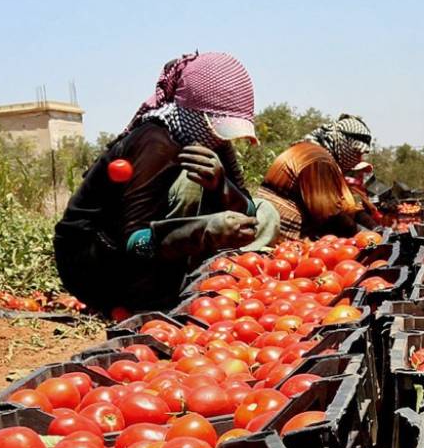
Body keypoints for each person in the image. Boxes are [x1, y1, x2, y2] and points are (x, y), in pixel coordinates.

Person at [53, 51, 279, 316]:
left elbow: (248, 211)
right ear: (196, 114)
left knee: (266, 213)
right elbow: (134, 243)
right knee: (190, 183)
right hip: (97, 262)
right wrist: (204, 230)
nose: (223, 138)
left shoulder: (212, 141)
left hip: (144, 245)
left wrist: (222, 186)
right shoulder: (155, 143)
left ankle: (198, 273)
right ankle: (161, 292)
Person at [253, 114, 378, 242]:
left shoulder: (324, 159)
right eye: (357, 152)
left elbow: (346, 207)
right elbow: (330, 216)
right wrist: (368, 237)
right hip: (281, 235)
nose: (358, 159)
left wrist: (375, 229)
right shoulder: (317, 160)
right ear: (343, 143)